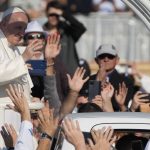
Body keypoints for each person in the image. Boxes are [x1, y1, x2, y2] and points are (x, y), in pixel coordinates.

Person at [24, 20, 69, 104]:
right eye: (31, 37)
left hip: (51, 108)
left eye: (39, 36)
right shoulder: (19, 60)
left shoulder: (55, 60)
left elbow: (66, 86)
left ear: (43, 40)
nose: (36, 39)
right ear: (25, 40)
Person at [80, 44, 134, 111]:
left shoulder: (126, 82)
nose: (106, 59)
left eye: (110, 56)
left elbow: (120, 106)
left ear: (117, 60)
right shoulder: (86, 80)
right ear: (96, 60)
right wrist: (97, 80)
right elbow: (86, 106)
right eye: (102, 56)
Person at [43, 1, 86, 75]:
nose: (54, 17)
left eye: (56, 15)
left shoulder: (67, 31)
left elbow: (81, 28)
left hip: (70, 76)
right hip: (50, 75)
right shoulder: (41, 33)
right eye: (51, 14)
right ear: (46, 14)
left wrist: (63, 13)